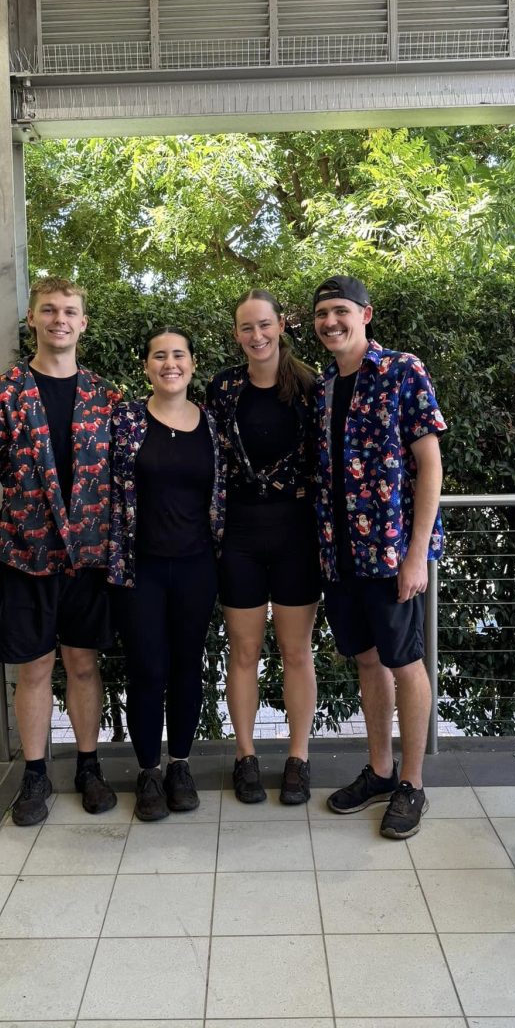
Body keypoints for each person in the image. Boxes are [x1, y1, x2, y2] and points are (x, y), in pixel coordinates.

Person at [0, 277, 120, 826]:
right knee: (33, 669)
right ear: (32, 319)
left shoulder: (106, 397)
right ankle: (35, 775)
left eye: (70, 311)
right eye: (49, 310)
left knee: (83, 664)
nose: (60, 318)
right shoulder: (5, 392)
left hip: (89, 555)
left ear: (83, 323)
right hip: (24, 553)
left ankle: (88, 765)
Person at [312, 275, 446, 839]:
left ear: (365, 315)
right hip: (339, 558)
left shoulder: (401, 371)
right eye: (321, 314)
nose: (330, 322)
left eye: (341, 311)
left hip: (391, 556)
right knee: (367, 662)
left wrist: (416, 555)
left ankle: (412, 784)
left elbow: (430, 465)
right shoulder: (323, 387)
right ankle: (382, 771)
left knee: (405, 663)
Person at [206, 289, 320, 805]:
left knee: (297, 653)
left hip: (297, 534)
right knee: (244, 652)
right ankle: (245, 756)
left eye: (265, 325)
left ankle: (298, 758)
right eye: (247, 327)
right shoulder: (223, 388)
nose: (257, 335)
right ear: (237, 334)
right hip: (241, 537)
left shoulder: (311, 387)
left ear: (280, 327)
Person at [107, 328, 225, 821]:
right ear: (147, 367)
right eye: (160, 355)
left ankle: (180, 765)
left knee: (186, 667)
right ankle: (148, 771)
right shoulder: (126, 420)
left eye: (179, 355)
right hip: (141, 569)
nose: (170, 363)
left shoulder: (213, 425)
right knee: (147, 669)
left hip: (198, 566)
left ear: (193, 364)